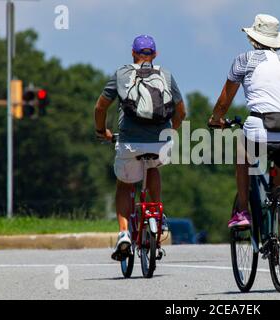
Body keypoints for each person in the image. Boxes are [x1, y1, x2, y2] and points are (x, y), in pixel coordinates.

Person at [208, 14, 280, 273]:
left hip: (258, 128)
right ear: (277, 41)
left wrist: (216, 119)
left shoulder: (243, 60)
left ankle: (242, 211)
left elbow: (224, 101)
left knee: (242, 154)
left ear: (252, 37)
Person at [95, 35, 186, 261]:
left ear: (133, 53)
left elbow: (100, 107)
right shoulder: (166, 75)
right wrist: (170, 131)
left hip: (129, 141)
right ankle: (157, 212)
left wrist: (101, 131)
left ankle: (124, 233)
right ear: (155, 55)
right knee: (154, 167)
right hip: (161, 143)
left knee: (125, 185)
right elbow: (181, 112)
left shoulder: (121, 74)